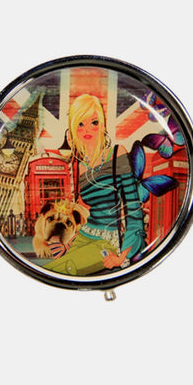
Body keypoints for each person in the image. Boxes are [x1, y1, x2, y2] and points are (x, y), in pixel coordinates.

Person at [44, 94, 145, 276]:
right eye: (80, 124)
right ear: (73, 128)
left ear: (102, 124)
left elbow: (133, 209)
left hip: (109, 241)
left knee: (65, 269)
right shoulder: (80, 166)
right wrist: (67, 241)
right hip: (85, 235)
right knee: (51, 269)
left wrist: (122, 257)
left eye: (94, 122)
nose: (87, 129)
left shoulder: (117, 154)